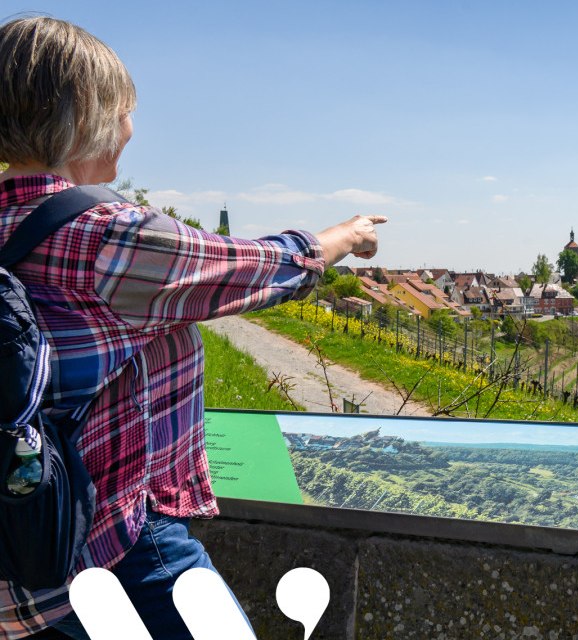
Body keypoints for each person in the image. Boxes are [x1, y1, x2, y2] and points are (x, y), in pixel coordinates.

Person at [0, 16, 386, 639]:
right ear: (86, 115)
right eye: (123, 111)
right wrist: (345, 235)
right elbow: (249, 271)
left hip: (19, 528)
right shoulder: (105, 235)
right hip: (115, 537)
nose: (130, 129)